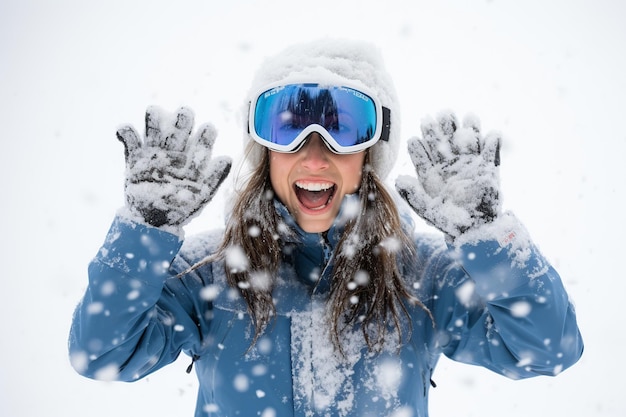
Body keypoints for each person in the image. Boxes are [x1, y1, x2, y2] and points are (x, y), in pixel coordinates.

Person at [68, 38, 583, 417]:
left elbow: (547, 349)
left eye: (343, 129)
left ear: (370, 153)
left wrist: (487, 238)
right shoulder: (209, 274)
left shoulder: (422, 276)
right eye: (288, 127)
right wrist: (146, 231)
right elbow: (101, 353)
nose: (315, 156)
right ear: (264, 150)